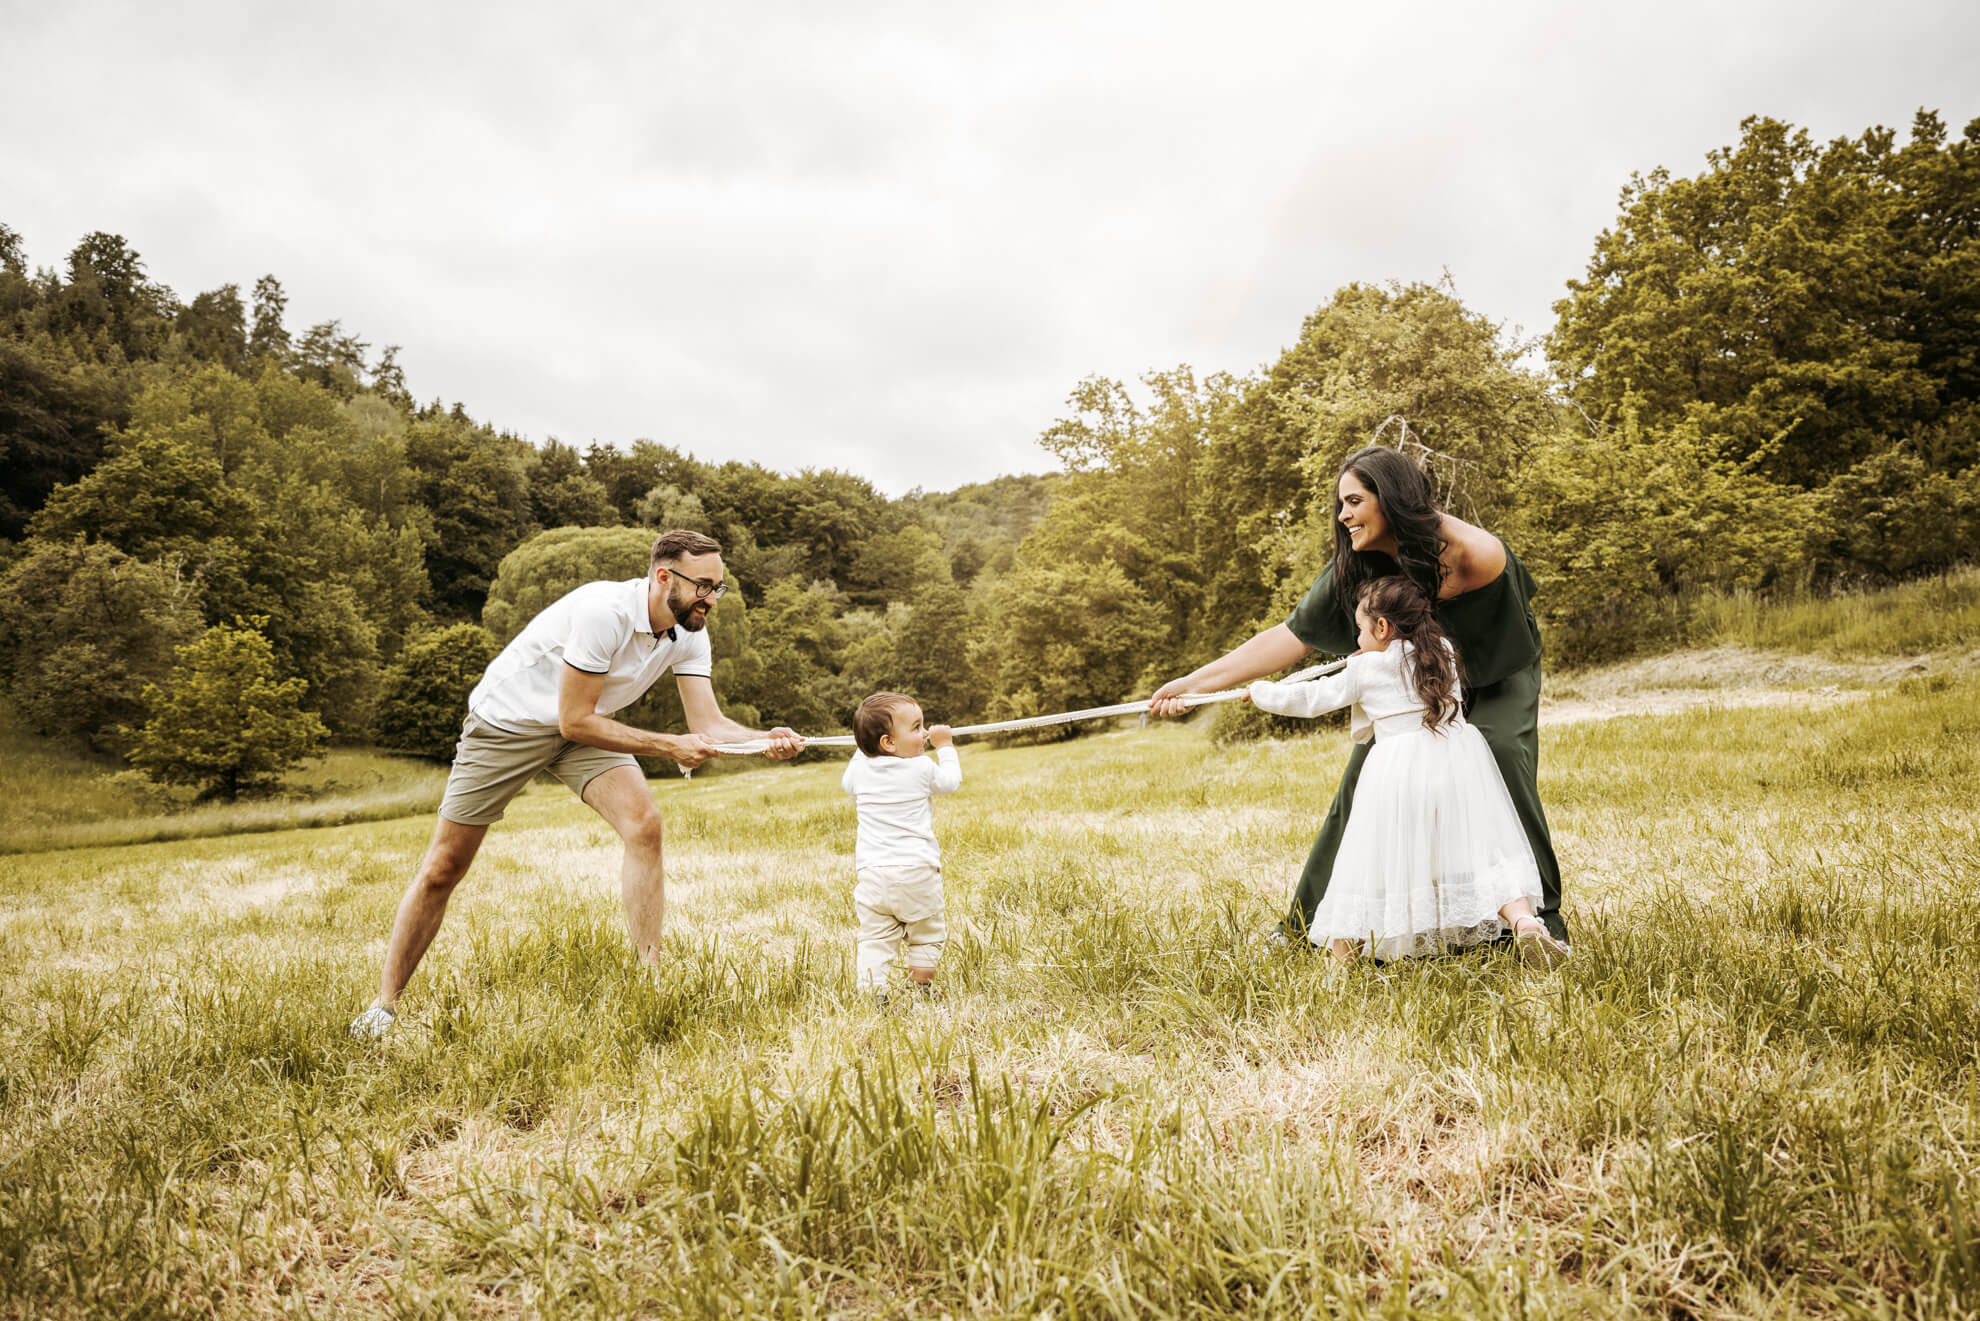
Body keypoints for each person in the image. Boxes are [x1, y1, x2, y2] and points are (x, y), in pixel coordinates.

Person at [349, 530, 801, 1038]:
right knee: (443, 867)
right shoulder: (603, 613)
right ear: (663, 577)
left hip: (584, 724)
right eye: (704, 586)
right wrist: (671, 746)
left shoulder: (690, 633)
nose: (711, 599)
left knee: (644, 824)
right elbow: (574, 721)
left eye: (719, 588)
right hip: (509, 724)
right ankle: (383, 1007)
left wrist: (764, 740)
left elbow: (710, 724)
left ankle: (648, 984)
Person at [1150, 445, 1571, 950]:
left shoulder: (1472, 552)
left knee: (1500, 755)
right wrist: (1196, 684)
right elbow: (1289, 637)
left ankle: (1537, 922)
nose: (1342, 514)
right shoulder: (1355, 566)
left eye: (1353, 501)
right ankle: (1307, 928)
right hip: (1412, 683)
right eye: (1340, 504)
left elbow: (1510, 615)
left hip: (1499, 665)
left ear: (1389, 497)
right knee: (1368, 774)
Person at [1248, 576, 1561, 966]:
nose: (1358, 640)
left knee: (1369, 861)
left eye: (1361, 630)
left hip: (1398, 769)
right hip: (1458, 762)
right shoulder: (1443, 650)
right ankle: (1524, 921)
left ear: (1382, 628)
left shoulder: (1366, 669)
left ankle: (1341, 965)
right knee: (1481, 851)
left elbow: (1311, 698)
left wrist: (1260, 692)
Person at [840, 692, 961, 1002]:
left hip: (873, 877)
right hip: (917, 872)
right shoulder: (920, 767)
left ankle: (873, 995)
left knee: (874, 940)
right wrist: (945, 747)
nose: (924, 734)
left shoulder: (860, 771)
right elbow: (949, 783)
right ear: (888, 743)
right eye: (917, 728)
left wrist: (861, 747)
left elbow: (848, 784)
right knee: (927, 935)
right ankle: (921, 988)